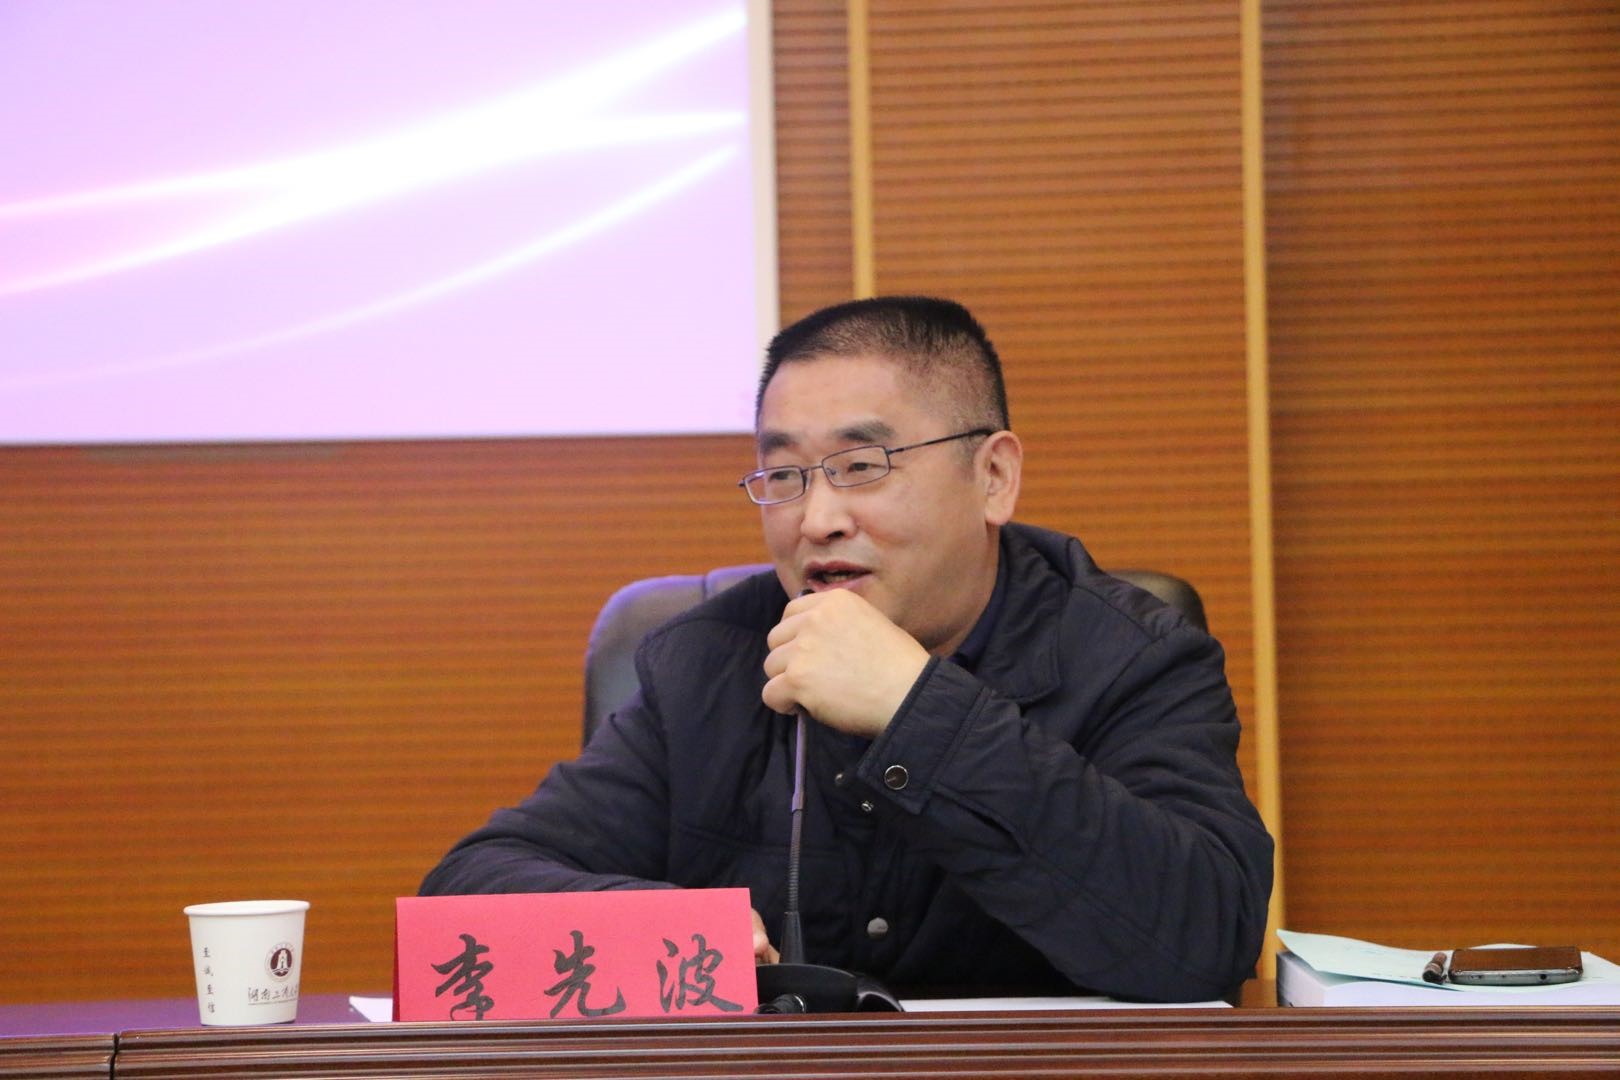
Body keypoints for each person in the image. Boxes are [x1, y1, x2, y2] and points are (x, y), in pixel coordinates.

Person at [421, 296, 1274, 1003]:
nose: (816, 519)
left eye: (862, 466)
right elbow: (468, 892)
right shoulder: (709, 662)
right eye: (784, 476)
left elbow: (1204, 937)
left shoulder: (1132, 655)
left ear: (993, 478)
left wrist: (916, 709)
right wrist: (673, 930)